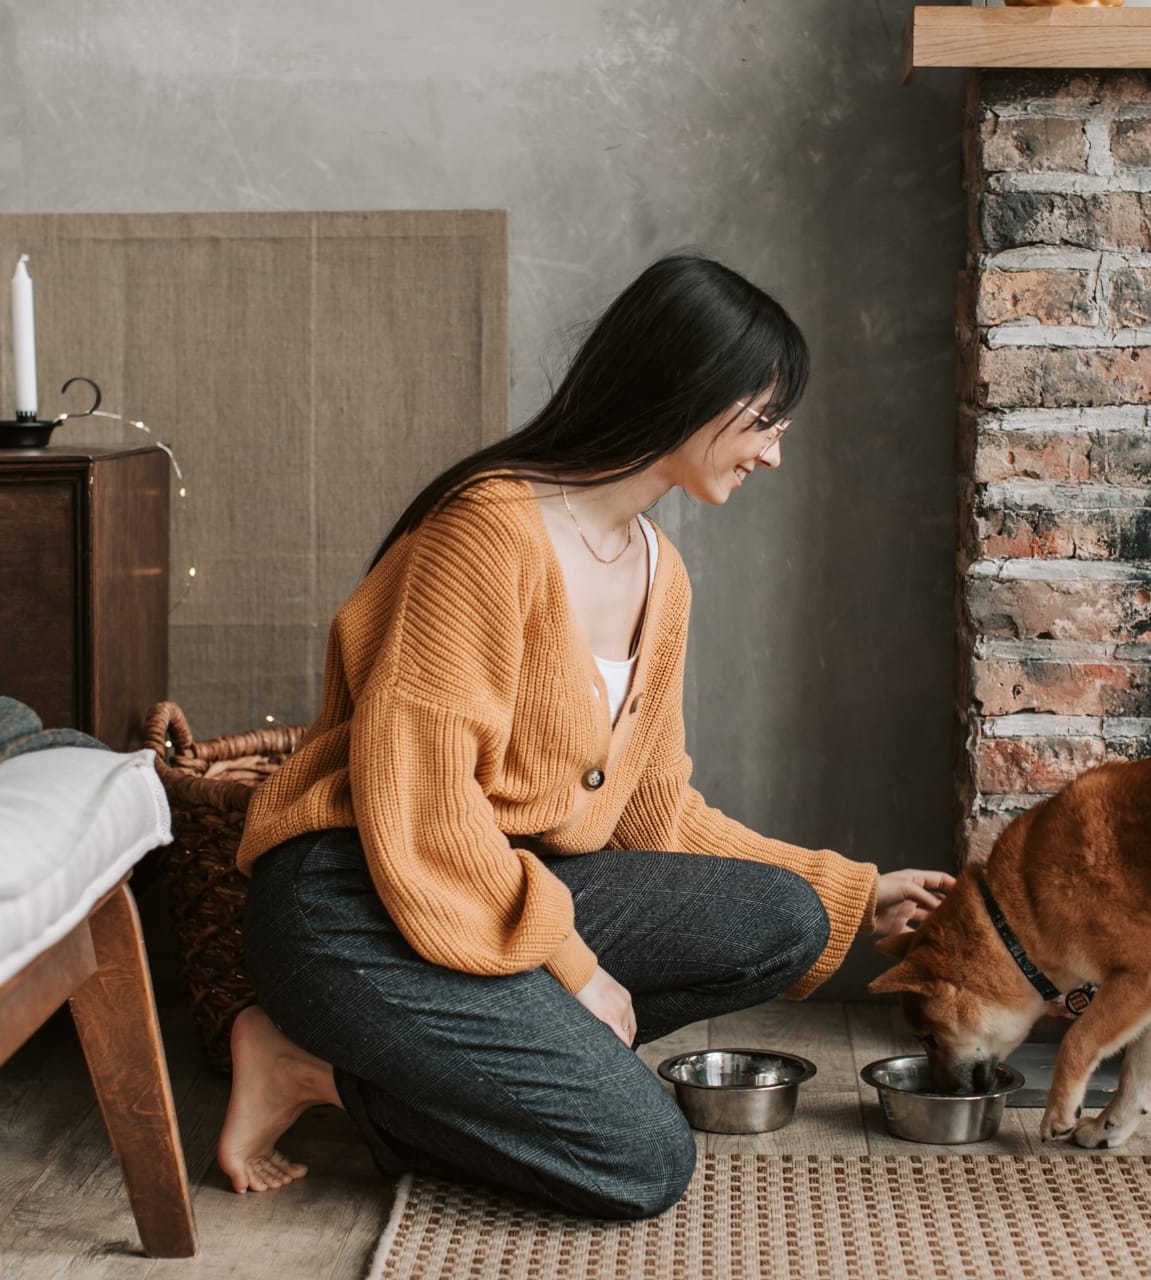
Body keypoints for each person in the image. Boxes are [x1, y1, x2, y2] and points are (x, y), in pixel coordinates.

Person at [214, 253, 954, 1219]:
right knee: (643, 1160)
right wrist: (573, 964)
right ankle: (311, 1063)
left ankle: (418, 1068)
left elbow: (655, 813)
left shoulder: (662, 572)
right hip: (355, 899)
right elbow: (426, 809)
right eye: (764, 420)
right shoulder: (487, 532)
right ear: (690, 392)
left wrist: (853, 893)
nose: (774, 453)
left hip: (496, 887)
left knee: (788, 920)